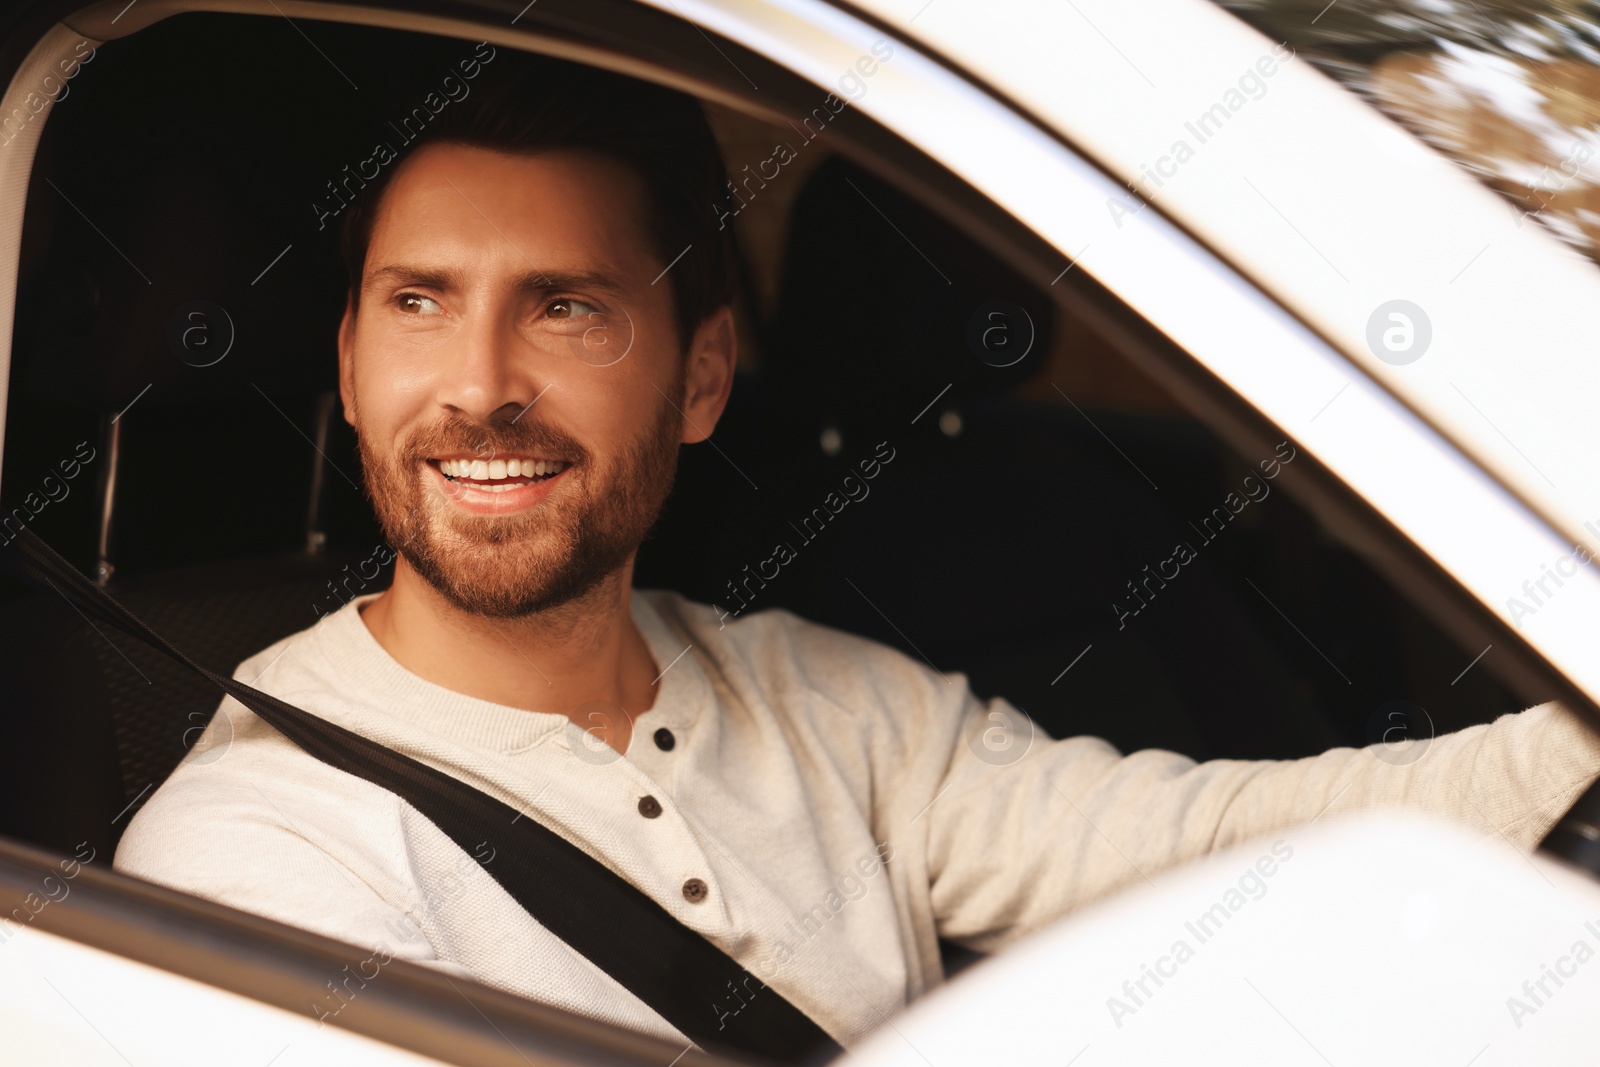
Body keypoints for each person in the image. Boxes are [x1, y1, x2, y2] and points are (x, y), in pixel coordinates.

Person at [113, 54, 1600, 1049]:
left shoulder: (828, 702)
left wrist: (1567, 754)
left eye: (566, 306)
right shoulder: (254, 860)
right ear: (354, 362)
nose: (482, 380)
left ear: (700, 378)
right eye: (421, 303)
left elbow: (1206, 841)